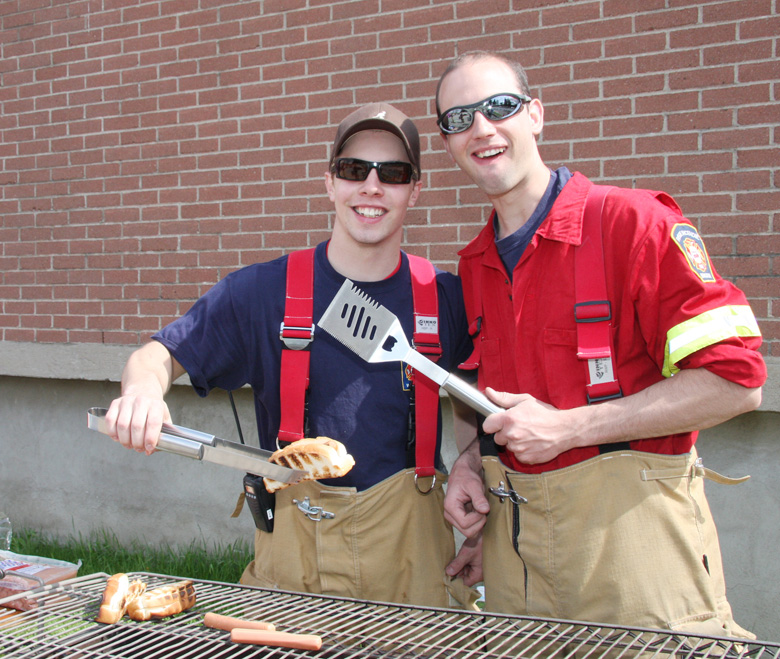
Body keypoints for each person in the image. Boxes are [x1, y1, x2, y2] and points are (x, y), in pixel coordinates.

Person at [435, 51, 766, 636]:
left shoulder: (634, 224)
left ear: (535, 115)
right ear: (448, 143)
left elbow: (736, 382)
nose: (481, 128)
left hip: (637, 571)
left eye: (499, 107)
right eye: (458, 118)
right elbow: (496, 406)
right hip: (521, 571)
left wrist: (571, 427)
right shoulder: (475, 265)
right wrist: (469, 464)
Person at [104, 102, 477, 608]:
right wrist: (141, 393)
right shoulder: (263, 292)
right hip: (293, 580)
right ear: (329, 183)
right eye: (352, 170)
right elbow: (158, 356)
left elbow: (485, 394)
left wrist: (473, 469)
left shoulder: (445, 298)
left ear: (415, 190)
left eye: (392, 173)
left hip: (416, 580)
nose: (371, 187)